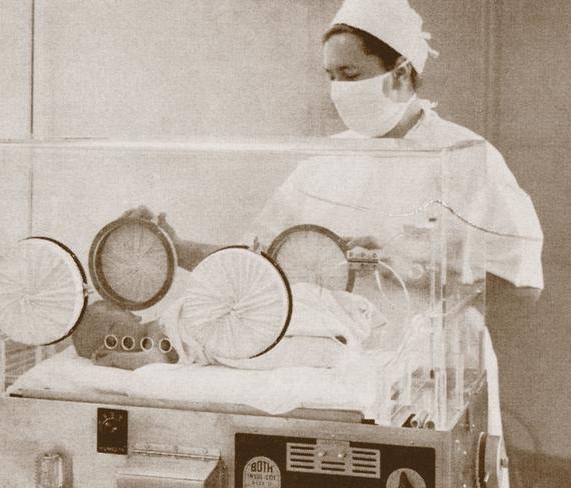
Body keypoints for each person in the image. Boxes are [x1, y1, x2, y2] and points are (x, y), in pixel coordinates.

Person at [129, 1, 543, 485]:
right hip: (337, 387)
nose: (337, 91)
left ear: (402, 75)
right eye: (330, 76)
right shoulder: (325, 161)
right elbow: (255, 264)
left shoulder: (467, 159)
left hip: (430, 386)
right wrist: (176, 248)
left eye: (350, 74)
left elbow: (523, 289)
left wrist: (412, 269)